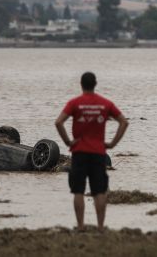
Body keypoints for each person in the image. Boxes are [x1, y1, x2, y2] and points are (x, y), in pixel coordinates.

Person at [55, 72, 129, 232]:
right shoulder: (105, 103)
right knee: (99, 191)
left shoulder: (74, 103)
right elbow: (124, 122)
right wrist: (113, 143)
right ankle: (100, 227)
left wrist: (67, 141)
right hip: (98, 153)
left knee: (78, 191)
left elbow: (59, 122)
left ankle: (81, 226)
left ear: (81, 84)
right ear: (95, 84)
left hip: (79, 152)